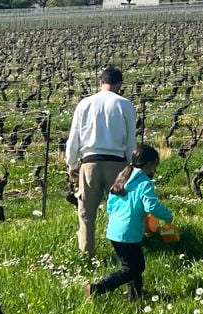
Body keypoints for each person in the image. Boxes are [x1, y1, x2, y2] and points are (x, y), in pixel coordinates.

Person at [66, 66, 137, 256]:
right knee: (119, 212)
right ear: (119, 84)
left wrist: (72, 163)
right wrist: (132, 166)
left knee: (86, 214)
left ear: (100, 82)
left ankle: (87, 255)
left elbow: (74, 137)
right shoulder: (125, 105)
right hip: (117, 165)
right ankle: (122, 255)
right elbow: (131, 141)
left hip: (90, 163)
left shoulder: (84, 104)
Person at [87, 144, 173, 300]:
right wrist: (168, 216)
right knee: (135, 267)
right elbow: (151, 206)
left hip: (114, 230)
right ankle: (98, 288)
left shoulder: (123, 176)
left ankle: (135, 296)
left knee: (132, 265)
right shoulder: (145, 183)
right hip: (129, 232)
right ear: (151, 164)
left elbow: (111, 204)